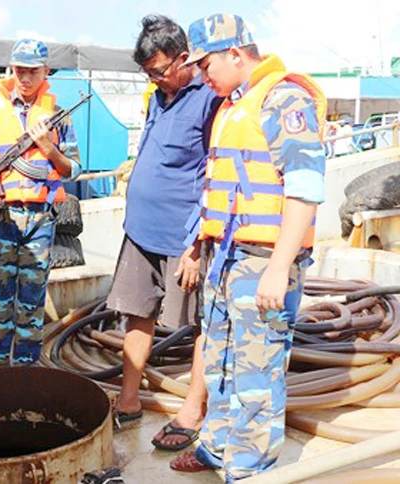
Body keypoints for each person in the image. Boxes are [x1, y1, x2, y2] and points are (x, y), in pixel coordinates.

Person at [169, 14, 327, 481]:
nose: (202, 75)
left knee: (257, 375)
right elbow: (225, 187)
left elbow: (304, 188)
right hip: (225, 259)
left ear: (234, 54)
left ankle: (249, 471)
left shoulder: (285, 100)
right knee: (219, 357)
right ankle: (217, 448)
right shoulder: (232, 105)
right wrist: (198, 245)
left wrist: (280, 268)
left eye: (206, 65)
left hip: (262, 262)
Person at [106, 15, 222, 452]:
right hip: (140, 232)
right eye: (147, 72)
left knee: (199, 325)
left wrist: (196, 245)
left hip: (183, 238)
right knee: (138, 313)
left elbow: (215, 175)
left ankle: (192, 409)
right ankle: (128, 398)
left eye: (158, 70)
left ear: (184, 58)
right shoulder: (158, 96)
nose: (154, 78)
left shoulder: (209, 99)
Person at [0, 39, 82, 368]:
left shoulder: (56, 114)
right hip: (2, 215)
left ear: (46, 71)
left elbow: (74, 169)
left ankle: (25, 365)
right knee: (1, 296)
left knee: (32, 298)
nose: (25, 78)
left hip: (40, 220)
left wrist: (48, 148)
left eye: (32, 72)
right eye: (19, 71)